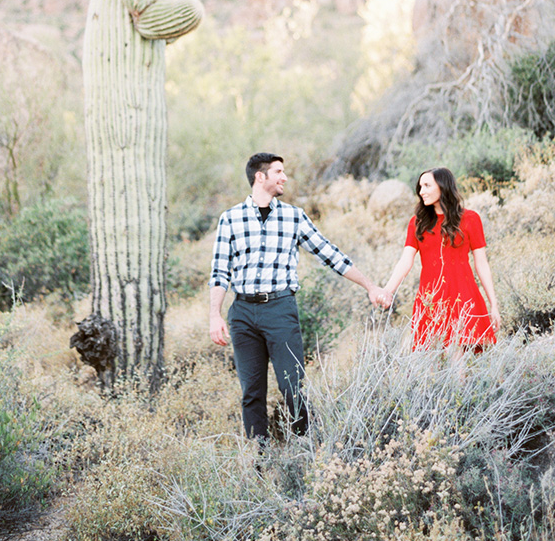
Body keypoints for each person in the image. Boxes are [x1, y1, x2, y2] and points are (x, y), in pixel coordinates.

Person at [209, 152, 381, 441]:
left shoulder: (293, 216)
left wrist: (370, 286)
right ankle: (258, 461)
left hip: (279, 309)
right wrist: (215, 314)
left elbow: (330, 254)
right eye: (278, 172)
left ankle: (305, 450)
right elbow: (219, 272)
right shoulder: (230, 219)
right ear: (259, 177)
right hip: (242, 314)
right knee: (252, 393)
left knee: (292, 386)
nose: (284, 177)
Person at [375, 167, 500, 350]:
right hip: (430, 299)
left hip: (462, 297)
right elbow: (405, 261)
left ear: (443, 186)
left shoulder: (470, 219)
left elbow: (482, 264)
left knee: (458, 362)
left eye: (427, 185)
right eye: (420, 186)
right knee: (428, 362)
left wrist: (493, 305)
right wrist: (388, 290)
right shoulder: (418, 222)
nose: (421, 191)